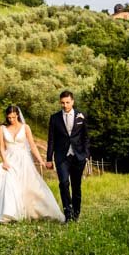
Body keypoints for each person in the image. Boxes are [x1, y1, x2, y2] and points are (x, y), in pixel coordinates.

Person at [0, 105, 65, 223]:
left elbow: (32, 146)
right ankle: (9, 216)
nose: (11, 120)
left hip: (24, 161)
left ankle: (43, 212)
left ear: (18, 115)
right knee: (9, 185)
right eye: (9, 118)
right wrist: (4, 161)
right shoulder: (2, 128)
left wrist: (41, 161)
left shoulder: (25, 127)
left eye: (13, 117)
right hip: (10, 160)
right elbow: (1, 147)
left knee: (32, 187)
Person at [45, 90, 90, 222]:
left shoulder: (81, 116)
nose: (65, 105)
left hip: (78, 156)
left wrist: (86, 154)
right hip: (62, 157)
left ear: (72, 102)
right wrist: (49, 159)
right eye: (62, 103)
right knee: (64, 183)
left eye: (67, 102)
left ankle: (76, 214)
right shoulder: (55, 118)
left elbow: (86, 137)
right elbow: (51, 139)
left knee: (76, 186)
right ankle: (68, 214)